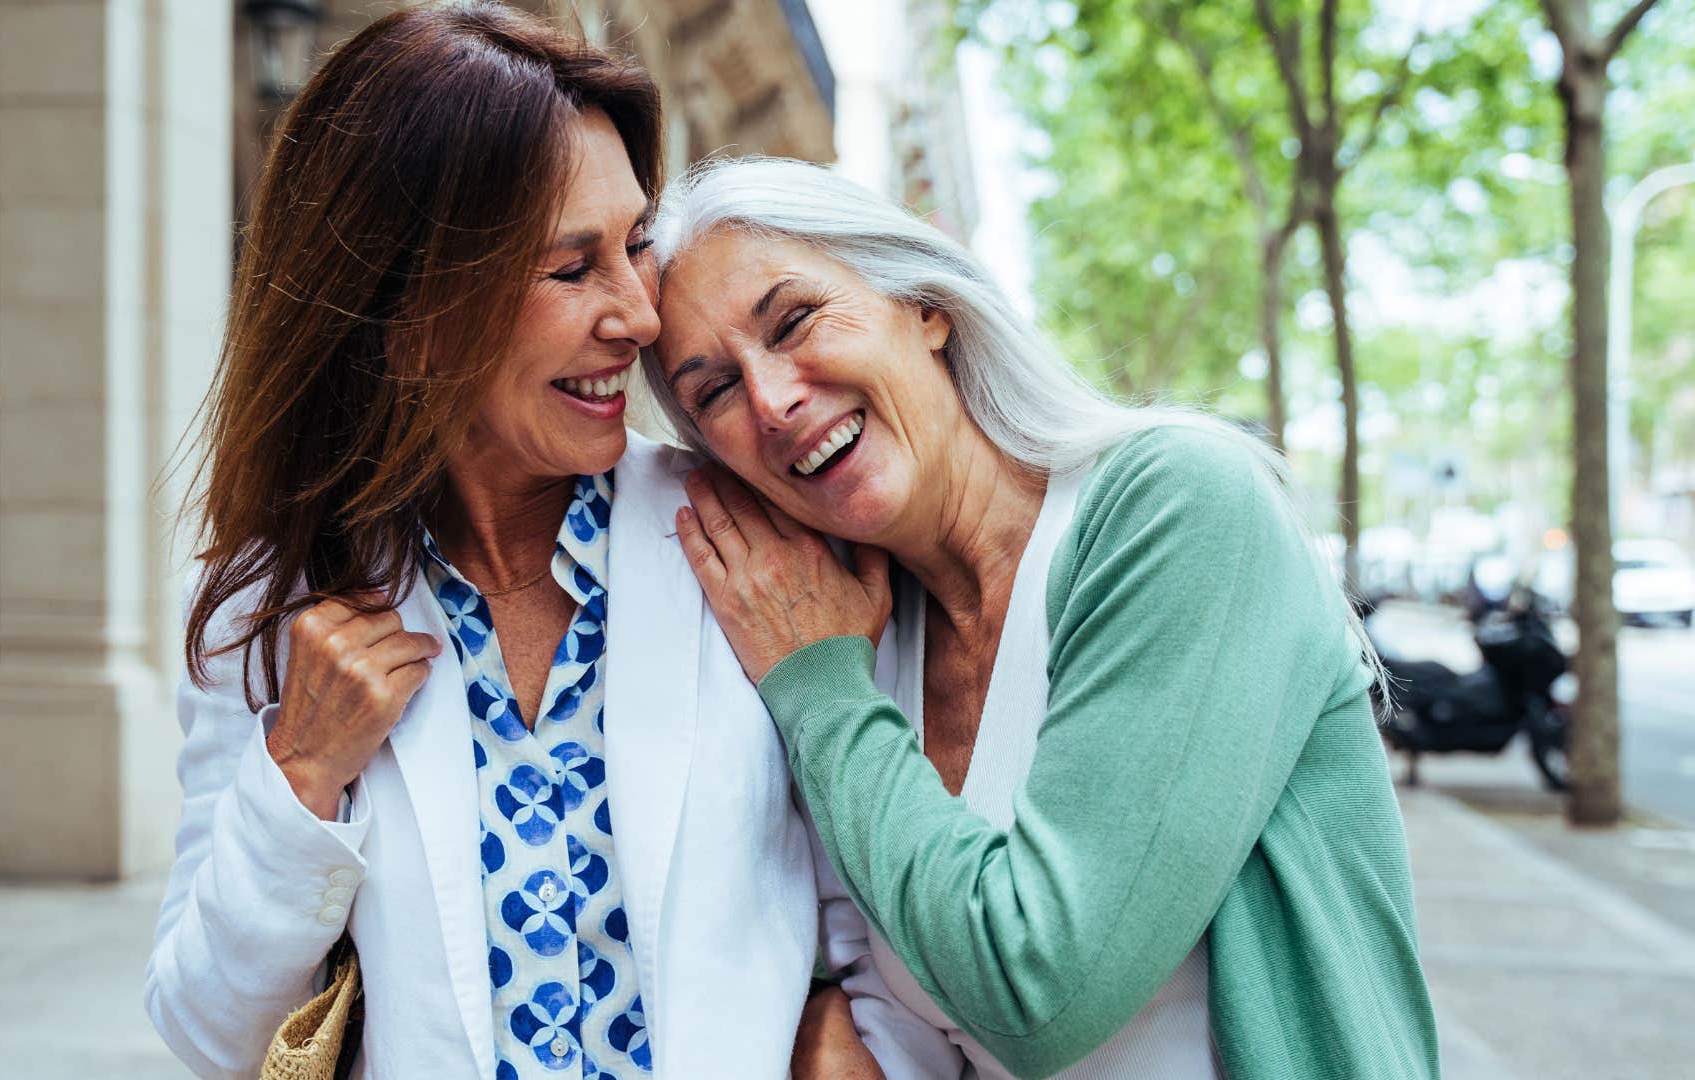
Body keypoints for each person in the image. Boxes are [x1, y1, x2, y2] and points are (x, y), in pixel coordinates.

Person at [144, 11, 843, 1077]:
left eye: (634, 247)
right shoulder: (267, 606)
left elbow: (869, 915)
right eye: (572, 269)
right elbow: (206, 1035)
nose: (639, 319)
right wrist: (300, 776)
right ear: (407, 308)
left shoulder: (746, 534)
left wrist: (848, 1027)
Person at [643, 157, 1441, 1079]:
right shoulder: (858, 624)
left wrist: (819, 690)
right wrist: (829, 1018)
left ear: (927, 305)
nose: (774, 401)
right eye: (714, 393)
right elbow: (910, 1009)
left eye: (795, 321)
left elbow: (1039, 993)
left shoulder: (1175, 508)